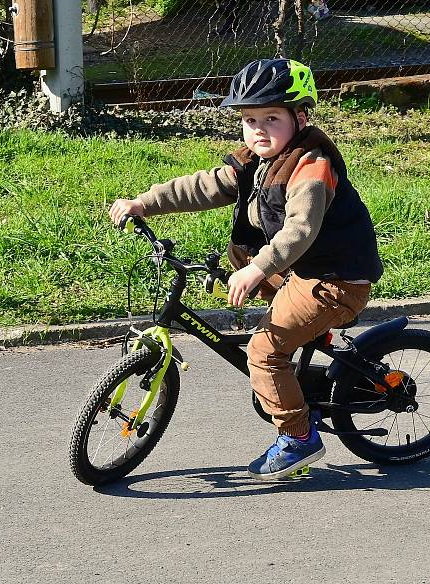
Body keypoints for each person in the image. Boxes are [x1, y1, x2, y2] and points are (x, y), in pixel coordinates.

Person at [109, 58, 383, 480]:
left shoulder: (311, 166)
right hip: (302, 270)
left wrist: (257, 269)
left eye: (271, 118)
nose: (258, 129)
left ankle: (299, 438)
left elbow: (301, 230)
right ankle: (302, 349)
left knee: (263, 350)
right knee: (236, 283)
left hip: (334, 279)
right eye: (249, 119)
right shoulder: (256, 160)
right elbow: (205, 185)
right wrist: (145, 202)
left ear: (301, 117)